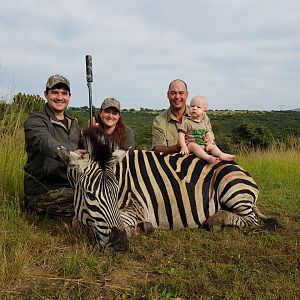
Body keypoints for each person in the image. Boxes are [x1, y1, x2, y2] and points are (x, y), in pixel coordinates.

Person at [23, 74, 86, 219]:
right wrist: (71, 155)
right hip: (44, 188)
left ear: (69, 96)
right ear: (46, 94)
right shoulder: (35, 120)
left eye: (64, 93)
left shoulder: (73, 122)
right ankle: (34, 208)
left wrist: (95, 135)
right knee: (88, 207)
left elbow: (85, 147)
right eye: (55, 92)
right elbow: (46, 143)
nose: (59, 97)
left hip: (70, 184)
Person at [152, 79, 214, 154]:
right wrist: (181, 146)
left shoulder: (202, 116)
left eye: (181, 93)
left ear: (187, 95)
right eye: (173, 93)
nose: (177, 97)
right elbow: (157, 148)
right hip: (172, 163)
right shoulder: (159, 121)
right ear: (168, 95)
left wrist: (209, 143)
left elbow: (212, 141)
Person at [178, 96, 235, 164]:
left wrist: (210, 141)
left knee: (212, 146)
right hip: (190, 145)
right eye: (192, 106)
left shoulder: (204, 123)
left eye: (198, 107)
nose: (194, 108)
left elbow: (208, 134)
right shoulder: (186, 122)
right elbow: (181, 134)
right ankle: (208, 158)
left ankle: (221, 154)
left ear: (204, 110)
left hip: (203, 144)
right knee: (193, 145)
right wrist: (183, 146)